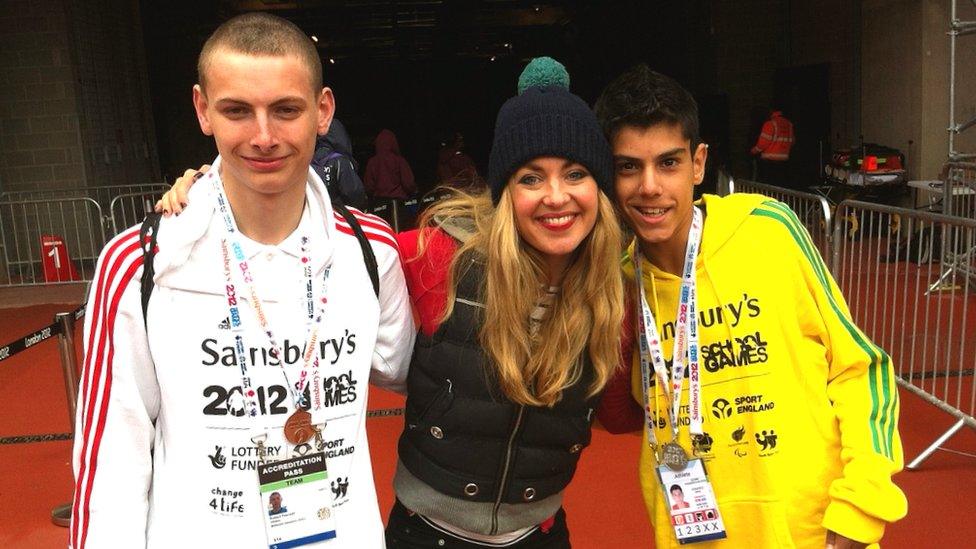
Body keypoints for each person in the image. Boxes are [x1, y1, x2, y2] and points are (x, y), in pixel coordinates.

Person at [71, 13, 414, 549]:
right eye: (236, 110)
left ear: (322, 111)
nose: (263, 136)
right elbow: (112, 460)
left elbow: (418, 371)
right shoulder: (140, 263)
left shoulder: (373, 252)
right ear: (203, 110)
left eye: (285, 110)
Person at [594, 66, 906, 548]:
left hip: (810, 534)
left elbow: (860, 367)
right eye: (628, 166)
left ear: (698, 164)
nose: (649, 186)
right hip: (688, 534)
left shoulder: (765, 230)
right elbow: (624, 412)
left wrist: (860, 507)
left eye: (669, 163)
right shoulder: (617, 280)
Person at [387, 57, 623, 548]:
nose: (556, 197)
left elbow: (622, 418)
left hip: (540, 534)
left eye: (576, 173)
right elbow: (322, 249)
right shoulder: (441, 256)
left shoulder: (613, 288)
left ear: (598, 189)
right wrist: (208, 198)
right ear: (504, 191)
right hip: (426, 535)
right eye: (531, 178)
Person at [312, 118, 368, 210]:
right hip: (340, 216)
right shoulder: (340, 161)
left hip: (316, 216)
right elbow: (354, 193)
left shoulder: (309, 162)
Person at [364, 128, 416, 200]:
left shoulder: (372, 162)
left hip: (379, 203)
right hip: (399, 201)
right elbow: (408, 184)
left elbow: (369, 187)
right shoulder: (399, 161)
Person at [750, 107, 795, 188]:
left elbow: (763, 143)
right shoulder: (789, 124)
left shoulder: (770, 124)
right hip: (784, 162)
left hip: (769, 162)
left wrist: (753, 151)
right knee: (781, 188)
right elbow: (792, 141)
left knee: (769, 188)